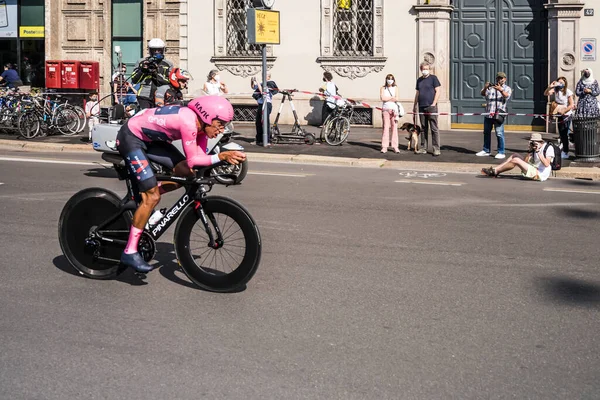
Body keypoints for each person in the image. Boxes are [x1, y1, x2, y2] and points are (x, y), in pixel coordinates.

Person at [116, 96, 246, 272]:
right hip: (131, 137)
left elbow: (197, 163)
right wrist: (221, 156)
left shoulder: (201, 128)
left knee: (188, 176)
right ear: (207, 117)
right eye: (220, 124)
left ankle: (144, 197)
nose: (221, 130)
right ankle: (130, 251)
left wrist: (223, 162)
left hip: (152, 140)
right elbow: (193, 160)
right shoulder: (188, 121)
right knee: (152, 196)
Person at [481, 133, 554, 182]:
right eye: (532, 142)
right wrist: (530, 151)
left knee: (516, 160)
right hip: (534, 167)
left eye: (534, 142)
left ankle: (495, 171)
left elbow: (547, 164)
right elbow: (525, 162)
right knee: (514, 155)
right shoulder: (533, 148)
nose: (533, 143)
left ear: (540, 142)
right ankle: (495, 169)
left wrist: (538, 151)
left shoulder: (548, 148)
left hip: (540, 174)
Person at [476, 72, 512, 159]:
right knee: (486, 133)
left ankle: (501, 151)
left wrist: (501, 90)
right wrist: (485, 87)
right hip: (489, 114)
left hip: (499, 115)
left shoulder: (507, 88)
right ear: (496, 79)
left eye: (502, 78)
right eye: (499, 78)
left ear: (505, 79)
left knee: (499, 133)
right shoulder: (490, 88)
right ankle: (486, 150)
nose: (500, 80)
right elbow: (482, 94)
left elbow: (506, 96)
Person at [131, 38, 173, 109]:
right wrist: (143, 70)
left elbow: (169, 82)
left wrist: (155, 73)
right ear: (150, 50)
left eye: (159, 50)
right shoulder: (142, 62)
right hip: (144, 95)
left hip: (161, 95)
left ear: (163, 50)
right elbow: (134, 80)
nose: (156, 52)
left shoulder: (168, 64)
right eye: (154, 50)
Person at [413, 62, 441, 156]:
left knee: (434, 128)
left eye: (426, 68)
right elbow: (417, 93)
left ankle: (436, 149)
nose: (425, 70)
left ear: (429, 69)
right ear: (421, 69)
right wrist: (415, 105)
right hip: (421, 107)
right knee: (423, 128)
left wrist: (433, 103)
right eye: (423, 69)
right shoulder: (419, 80)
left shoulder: (433, 78)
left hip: (431, 107)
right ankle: (423, 147)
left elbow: (438, 91)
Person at [544, 77, 574, 159]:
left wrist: (564, 111)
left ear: (565, 83)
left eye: (561, 83)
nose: (560, 84)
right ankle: (563, 147)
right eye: (559, 82)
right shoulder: (556, 90)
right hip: (559, 113)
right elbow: (546, 94)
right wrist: (550, 86)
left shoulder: (568, 92)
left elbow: (571, 105)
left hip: (566, 114)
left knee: (564, 134)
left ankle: (566, 151)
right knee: (561, 133)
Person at [251, 72, 278, 146]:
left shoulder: (270, 84)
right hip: (260, 104)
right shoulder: (261, 83)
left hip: (266, 104)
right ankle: (259, 140)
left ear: (269, 77)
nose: (264, 77)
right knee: (258, 122)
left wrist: (257, 82)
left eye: (265, 76)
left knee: (265, 122)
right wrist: (252, 80)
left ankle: (267, 140)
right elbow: (253, 87)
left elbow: (262, 91)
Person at [380, 73, 400, 153]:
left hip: (394, 110)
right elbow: (382, 98)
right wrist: (392, 97)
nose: (390, 80)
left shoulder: (396, 88)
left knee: (394, 128)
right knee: (385, 127)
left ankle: (395, 146)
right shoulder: (382, 88)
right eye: (388, 79)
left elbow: (397, 99)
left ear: (393, 80)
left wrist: (389, 98)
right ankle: (384, 146)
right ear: (386, 80)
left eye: (391, 79)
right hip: (385, 109)